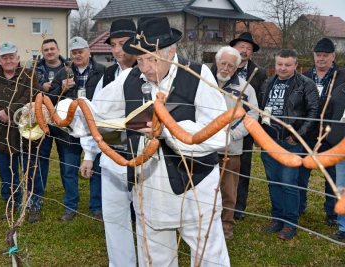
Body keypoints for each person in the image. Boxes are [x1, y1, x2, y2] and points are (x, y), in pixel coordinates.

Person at [90, 17, 229, 266]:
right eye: (140, 59)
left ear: (171, 51)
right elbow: (96, 112)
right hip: (150, 188)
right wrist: (59, 113)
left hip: (195, 188)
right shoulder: (129, 78)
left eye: (151, 58)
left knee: (209, 256)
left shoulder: (197, 75)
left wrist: (168, 130)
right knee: (155, 258)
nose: (144, 67)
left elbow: (217, 132)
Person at [80, 19, 138, 266]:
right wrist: (89, 155)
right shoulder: (106, 74)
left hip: (142, 155)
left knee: (148, 218)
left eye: (122, 44)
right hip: (111, 152)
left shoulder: (148, 73)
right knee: (114, 216)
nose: (117, 50)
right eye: (113, 45)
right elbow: (93, 116)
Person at [260, 49, 319, 240]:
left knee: (288, 183)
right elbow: (261, 109)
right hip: (269, 141)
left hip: (290, 143)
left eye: (287, 65)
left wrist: (298, 136)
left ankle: (290, 223)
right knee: (273, 182)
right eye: (279, 64)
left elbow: (313, 113)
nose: (283, 68)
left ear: (295, 65)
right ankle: (277, 218)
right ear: (275, 64)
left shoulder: (306, 84)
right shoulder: (268, 82)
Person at [48, 36, 105, 221]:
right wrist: (62, 89)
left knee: (96, 168)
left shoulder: (101, 71)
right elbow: (50, 99)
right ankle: (70, 206)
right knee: (69, 169)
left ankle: (96, 207)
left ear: (89, 51)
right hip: (70, 131)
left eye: (80, 51)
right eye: (74, 52)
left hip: (92, 128)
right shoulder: (63, 73)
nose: (77, 55)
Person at [0, 41, 36, 219]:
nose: (8, 60)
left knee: (29, 170)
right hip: (1, 134)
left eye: (12, 56)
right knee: (6, 171)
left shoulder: (29, 75)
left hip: (26, 131)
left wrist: (9, 113)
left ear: (18, 58)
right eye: (5, 57)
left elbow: (32, 96)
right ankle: (11, 203)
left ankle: (33, 205)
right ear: (0, 60)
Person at [211, 46, 259, 239]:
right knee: (205, 188)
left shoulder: (245, 89)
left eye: (231, 65)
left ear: (237, 67)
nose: (225, 68)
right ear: (216, 62)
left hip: (231, 149)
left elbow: (253, 115)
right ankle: (206, 223)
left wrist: (233, 134)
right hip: (203, 148)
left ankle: (226, 226)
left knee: (229, 191)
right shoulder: (203, 82)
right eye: (223, 63)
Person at [299, 37, 345, 226]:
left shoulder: (342, 76)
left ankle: (332, 212)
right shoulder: (305, 75)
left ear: (333, 57)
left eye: (325, 56)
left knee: (332, 175)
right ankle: (300, 206)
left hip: (331, 134)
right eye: (318, 55)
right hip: (308, 132)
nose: (321, 59)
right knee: (301, 172)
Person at [22, 39, 68, 223]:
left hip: (64, 122)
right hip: (42, 121)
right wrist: (43, 88)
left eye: (52, 49)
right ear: (42, 52)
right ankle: (36, 203)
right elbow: (32, 91)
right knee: (40, 161)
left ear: (58, 50)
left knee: (67, 162)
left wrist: (53, 88)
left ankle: (70, 203)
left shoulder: (68, 67)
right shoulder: (34, 69)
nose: (49, 52)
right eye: (46, 49)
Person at [229, 32, 268, 220]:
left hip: (246, 126)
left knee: (243, 166)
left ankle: (239, 206)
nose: (244, 51)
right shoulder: (221, 67)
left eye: (248, 48)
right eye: (241, 47)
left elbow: (260, 100)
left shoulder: (259, 73)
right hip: (221, 124)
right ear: (234, 49)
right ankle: (220, 201)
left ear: (251, 52)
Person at [326, 83, 345, 240]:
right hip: (341, 149)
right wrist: (330, 135)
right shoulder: (340, 90)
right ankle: (343, 226)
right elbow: (329, 114)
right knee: (341, 187)